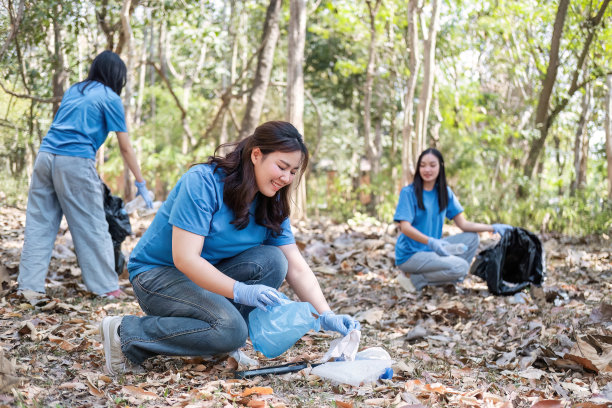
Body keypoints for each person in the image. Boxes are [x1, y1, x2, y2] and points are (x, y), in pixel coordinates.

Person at [99, 121, 360, 375]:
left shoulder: (273, 201)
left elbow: (295, 265)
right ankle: (127, 333)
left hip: (206, 274)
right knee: (232, 330)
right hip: (157, 275)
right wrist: (241, 291)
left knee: (274, 260)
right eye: (282, 166)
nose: (286, 177)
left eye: (293, 172)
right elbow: (185, 259)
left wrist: (326, 315)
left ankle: (218, 336)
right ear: (256, 154)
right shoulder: (203, 182)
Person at [18, 50, 153, 298]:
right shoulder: (110, 97)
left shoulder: (75, 90)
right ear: (116, 76)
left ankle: (29, 286)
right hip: (75, 161)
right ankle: (107, 288)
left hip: (45, 157)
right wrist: (141, 182)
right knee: (92, 224)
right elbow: (124, 146)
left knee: (39, 224)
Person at [394, 148, 513, 292]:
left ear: (440, 167)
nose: (427, 169)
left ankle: (448, 279)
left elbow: (463, 224)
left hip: (433, 249)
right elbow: (405, 227)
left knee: (471, 238)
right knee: (461, 267)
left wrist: (492, 228)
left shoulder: (444, 192)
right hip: (411, 254)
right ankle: (413, 279)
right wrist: (431, 241)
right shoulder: (408, 193)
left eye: (432, 165)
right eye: (423, 165)